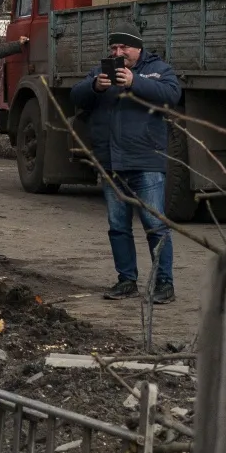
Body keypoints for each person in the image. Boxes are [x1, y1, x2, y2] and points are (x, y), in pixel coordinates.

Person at [69, 26, 183, 304]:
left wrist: (135, 82)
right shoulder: (101, 72)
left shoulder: (157, 69)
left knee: (155, 225)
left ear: (138, 49)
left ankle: (164, 284)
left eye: (124, 49)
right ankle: (126, 280)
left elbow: (172, 94)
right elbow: (75, 96)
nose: (118, 53)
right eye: (114, 49)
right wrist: (95, 86)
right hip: (111, 162)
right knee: (118, 226)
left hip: (146, 160)